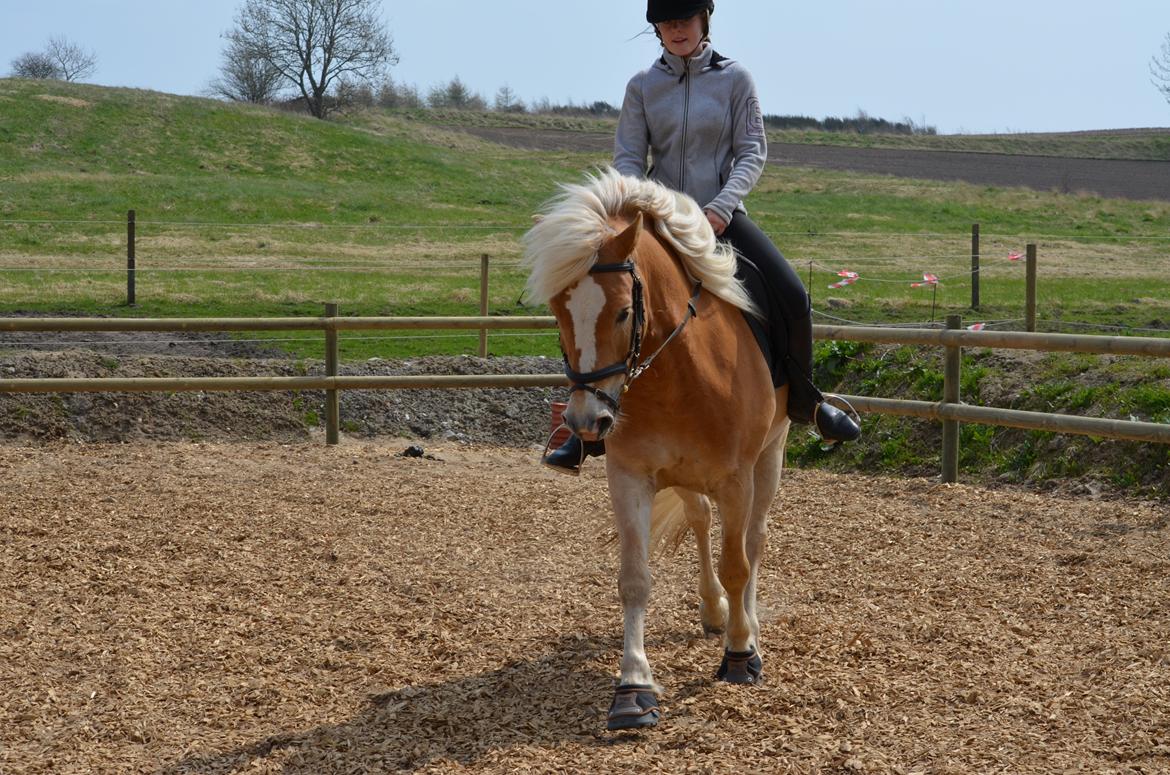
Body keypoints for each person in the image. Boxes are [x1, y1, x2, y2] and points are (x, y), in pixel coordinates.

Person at [543, 0, 860, 474]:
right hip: (658, 224)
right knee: (597, 301)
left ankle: (808, 401)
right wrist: (641, 210)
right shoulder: (642, 87)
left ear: (703, 21)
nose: (676, 30)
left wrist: (720, 207)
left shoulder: (736, 80)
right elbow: (628, 158)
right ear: (657, 30)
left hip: (721, 219)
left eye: (684, 20)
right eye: (666, 23)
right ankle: (586, 431)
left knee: (792, 295)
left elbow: (752, 152)